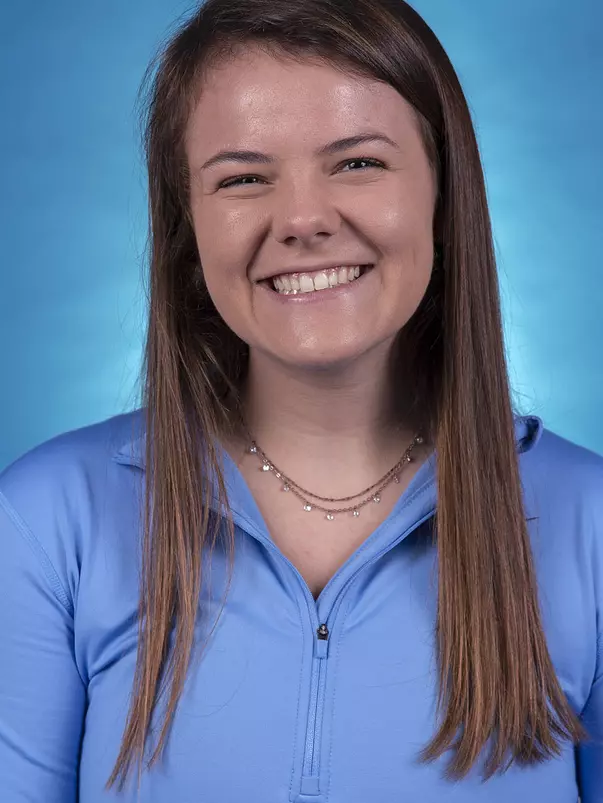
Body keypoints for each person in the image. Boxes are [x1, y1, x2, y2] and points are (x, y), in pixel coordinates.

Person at [0, 0, 601, 800]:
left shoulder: (590, 524)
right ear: (189, 227)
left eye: (356, 162)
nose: (303, 220)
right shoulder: (44, 523)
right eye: (243, 178)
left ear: (442, 197)